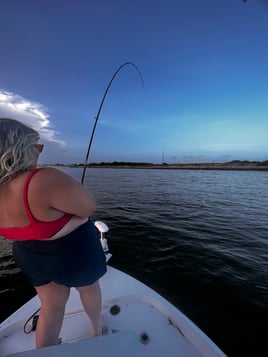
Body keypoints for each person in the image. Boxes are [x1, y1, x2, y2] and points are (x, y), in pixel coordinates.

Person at [0, 118, 107, 348]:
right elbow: (89, 207)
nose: (39, 150)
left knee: (51, 306)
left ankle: (45, 351)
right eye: (35, 144)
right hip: (73, 254)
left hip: (30, 256)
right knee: (89, 289)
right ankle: (97, 328)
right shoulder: (41, 180)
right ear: (18, 147)